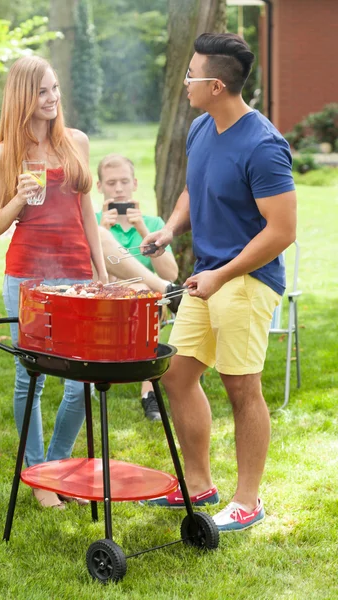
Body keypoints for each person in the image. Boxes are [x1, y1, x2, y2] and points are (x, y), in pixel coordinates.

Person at [140, 33, 297, 531]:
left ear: (215, 84)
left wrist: (222, 275)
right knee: (177, 375)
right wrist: (169, 228)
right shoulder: (201, 128)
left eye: (190, 75)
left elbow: (283, 231)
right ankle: (199, 482)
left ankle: (248, 499)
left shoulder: (265, 144)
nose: (183, 82)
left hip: (247, 281)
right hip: (207, 277)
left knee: (240, 387)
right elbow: (194, 187)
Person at [0, 56, 108, 509]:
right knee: (30, 377)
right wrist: (20, 195)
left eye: (55, 89)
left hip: (76, 273)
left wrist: (100, 267)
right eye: (42, 92)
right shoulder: (4, 154)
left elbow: (86, 211)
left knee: (80, 380)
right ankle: (37, 476)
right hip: (28, 277)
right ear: (22, 97)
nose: (53, 98)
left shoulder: (76, 141)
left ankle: (60, 468)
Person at [95, 154, 182, 421]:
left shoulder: (153, 224)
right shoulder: (93, 222)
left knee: (147, 291)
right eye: (111, 183)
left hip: (145, 306)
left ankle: (148, 392)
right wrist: (101, 229)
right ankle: (148, 388)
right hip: (104, 301)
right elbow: (85, 274)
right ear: (99, 187)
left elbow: (172, 273)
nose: (118, 189)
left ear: (134, 183)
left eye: (123, 182)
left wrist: (142, 228)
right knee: (148, 289)